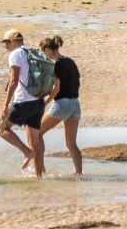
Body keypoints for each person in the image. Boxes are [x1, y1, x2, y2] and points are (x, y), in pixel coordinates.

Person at [0, 29, 50, 176]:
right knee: (35, 143)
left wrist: (5, 106)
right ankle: (38, 178)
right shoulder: (32, 52)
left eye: (6, 43)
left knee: (0, 129)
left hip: (23, 102)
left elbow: (14, 80)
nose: (5, 46)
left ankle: (26, 152)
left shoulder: (15, 54)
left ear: (12, 41)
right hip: (38, 102)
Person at [38, 34, 82, 173]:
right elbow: (76, 82)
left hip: (62, 104)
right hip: (75, 104)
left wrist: (44, 103)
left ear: (49, 50)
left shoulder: (54, 64)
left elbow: (56, 89)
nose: (42, 56)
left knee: (36, 133)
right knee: (71, 144)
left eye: (42, 52)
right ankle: (79, 173)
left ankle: (40, 169)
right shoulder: (70, 61)